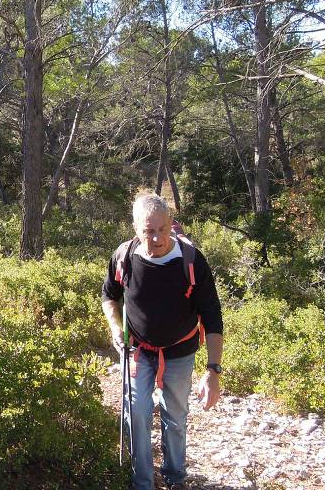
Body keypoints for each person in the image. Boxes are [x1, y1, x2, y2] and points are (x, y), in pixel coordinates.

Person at [101, 193, 224, 490]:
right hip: (137, 351)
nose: (156, 238)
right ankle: (142, 483)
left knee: (176, 416)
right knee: (137, 414)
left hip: (180, 352)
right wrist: (116, 328)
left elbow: (212, 316)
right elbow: (109, 296)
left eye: (162, 229)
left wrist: (213, 370)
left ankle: (174, 478)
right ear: (135, 228)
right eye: (148, 231)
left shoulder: (191, 261)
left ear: (171, 224)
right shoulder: (124, 256)